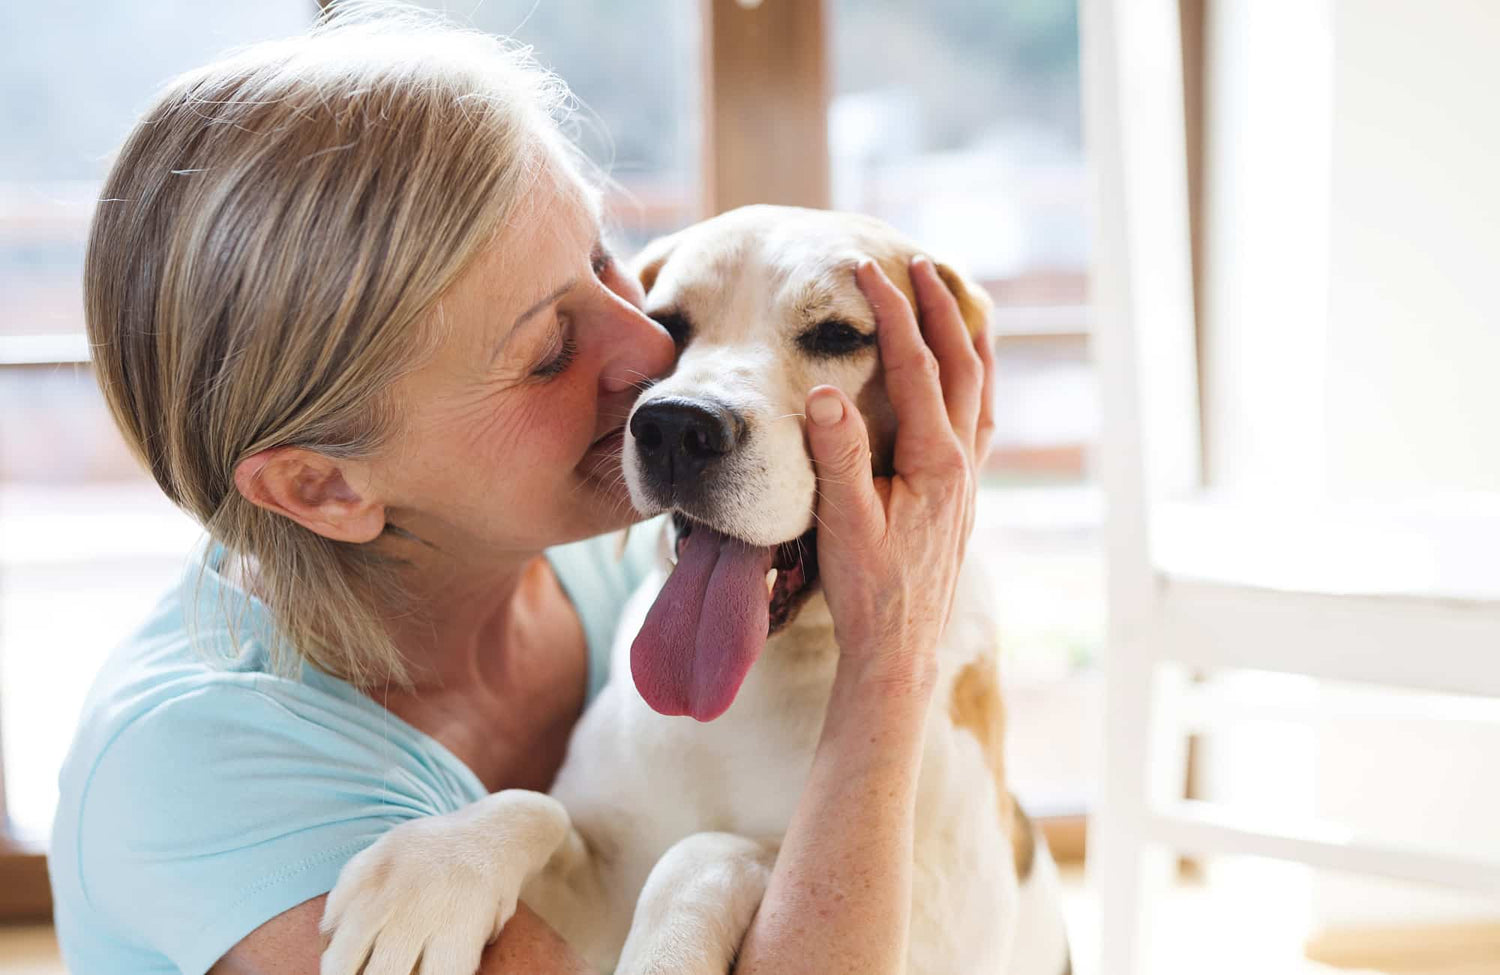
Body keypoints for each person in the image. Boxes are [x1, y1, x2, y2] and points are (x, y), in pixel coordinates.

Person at [48, 8, 995, 975]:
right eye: (546, 352)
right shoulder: (204, 778)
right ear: (325, 485)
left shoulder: (600, 553)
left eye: (601, 265)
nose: (653, 359)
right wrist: (891, 658)